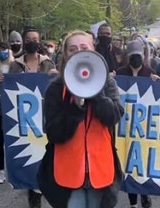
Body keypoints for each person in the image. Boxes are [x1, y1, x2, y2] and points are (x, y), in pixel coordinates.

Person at [37, 30, 124, 208]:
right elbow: (54, 133)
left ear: (93, 51)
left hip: (100, 171)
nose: (78, 52)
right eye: (72, 49)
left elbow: (113, 116)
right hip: (67, 173)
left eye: (84, 47)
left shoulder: (107, 82)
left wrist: (95, 91)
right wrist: (75, 106)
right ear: (65, 55)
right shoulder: (55, 87)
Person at [16, 27, 56, 208]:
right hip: (25, 123)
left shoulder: (48, 64)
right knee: (31, 162)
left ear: (39, 41)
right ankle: (34, 201)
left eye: (35, 38)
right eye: (29, 38)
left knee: (47, 160)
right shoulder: (14, 65)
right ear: (24, 42)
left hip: (46, 120)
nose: (32, 41)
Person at [116, 40, 153, 208]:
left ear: (143, 56)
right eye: (133, 56)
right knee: (130, 164)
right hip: (126, 126)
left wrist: (157, 82)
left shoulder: (150, 73)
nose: (136, 59)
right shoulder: (120, 73)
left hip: (144, 126)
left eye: (138, 56)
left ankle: (145, 195)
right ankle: (133, 202)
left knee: (143, 163)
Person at [0, 42, 26, 184]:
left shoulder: (17, 68)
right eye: (0, 50)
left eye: (5, 50)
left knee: (16, 140)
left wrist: (9, 77)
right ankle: (1, 171)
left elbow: (23, 85)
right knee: (0, 140)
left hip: (14, 110)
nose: (2, 52)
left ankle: (17, 170)